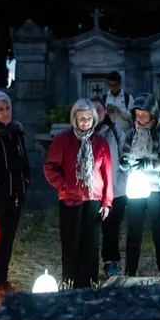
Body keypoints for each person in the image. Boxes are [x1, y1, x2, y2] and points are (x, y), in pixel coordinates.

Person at [43, 99, 113, 289]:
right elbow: (50, 168)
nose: (85, 122)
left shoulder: (100, 143)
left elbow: (107, 173)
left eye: (89, 118)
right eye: (81, 118)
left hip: (93, 198)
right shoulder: (62, 140)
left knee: (90, 244)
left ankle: (89, 283)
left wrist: (107, 202)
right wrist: (64, 186)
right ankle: (70, 282)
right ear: (75, 119)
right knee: (71, 242)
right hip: (70, 198)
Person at [0, 91, 31, 292]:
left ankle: (3, 275)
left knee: (9, 237)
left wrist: (26, 181)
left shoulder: (17, 132)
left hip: (15, 192)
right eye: (0, 109)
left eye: (7, 108)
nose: (5, 112)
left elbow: (23, 159)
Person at [118, 94, 160, 277]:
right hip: (136, 187)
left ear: (153, 114)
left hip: (156, 188)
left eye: (144, 114)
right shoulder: (132, 133)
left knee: (158, 230)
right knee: (133, 230)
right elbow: (124, 155)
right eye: (138, 114)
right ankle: (130, 271)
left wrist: (146, 164)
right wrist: (125, 162)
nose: (140, 118)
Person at [91, 97, 126, 277]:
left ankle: (110, 261)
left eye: (99, 110)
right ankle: (89, 264)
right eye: (93, 110)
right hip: (93, 192)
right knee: (92, 228)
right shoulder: (85, 132)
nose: (96, 114)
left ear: (105, 111)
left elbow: (124, 155)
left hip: (116, 189)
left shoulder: (115, 131)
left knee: (112, 229)